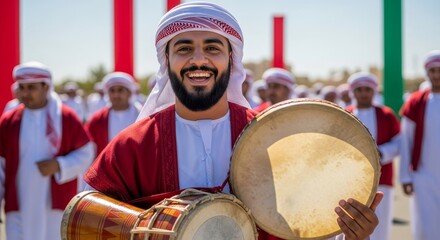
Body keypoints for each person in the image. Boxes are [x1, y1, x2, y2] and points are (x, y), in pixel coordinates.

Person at [84, 2, 382, 240]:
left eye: (212, 48)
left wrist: (352, 236)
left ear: (231, 59)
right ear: (167, 61)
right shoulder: (133, 145)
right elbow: (88, 222)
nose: (198, 60)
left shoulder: (273, 138)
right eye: (184, 48)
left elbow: (302, 224)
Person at [0, 61, 94, 240]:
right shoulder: (9, 121)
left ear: (45, 87)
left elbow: (86, 152)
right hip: (18, 205)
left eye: (31, 88)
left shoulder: (66, 118)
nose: (26, 93)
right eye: (22, 87)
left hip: (53, 205)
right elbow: (0, 166)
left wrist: (60, 165)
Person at [346, 72, 400, 240]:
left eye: (367, 89)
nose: (363, 93)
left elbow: (398, 143)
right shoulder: (344, 114)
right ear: (353, 92)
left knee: (380, 226)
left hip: (380, 181)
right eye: (359, 89)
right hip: (349, 180)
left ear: (374, 91)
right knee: (352, 224)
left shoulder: (386, 114)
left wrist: (380, 154)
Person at [400, 50, 440, 240]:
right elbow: (405, 140)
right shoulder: (416, 101)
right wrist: (405, 177)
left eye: (439, 70)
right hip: (423, 175)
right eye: (433, 70)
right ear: (427, 73)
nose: (436, 75)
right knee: (426, 227)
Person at [85, 72, 142, 156]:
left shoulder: (142, 114)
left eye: (120, 90)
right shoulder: (98, 119)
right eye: (112, 90)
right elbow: (86, 147)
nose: (116, 95)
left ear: (129, 93)